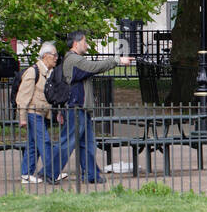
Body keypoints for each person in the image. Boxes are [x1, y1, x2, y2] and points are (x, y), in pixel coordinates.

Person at [57, 32, 135, 184]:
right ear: (76, 43)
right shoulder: (74, 59)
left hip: (81, 108)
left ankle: (91, 175)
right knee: (67, 143)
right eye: (85, 42)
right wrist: (117, 60)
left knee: (88, 144)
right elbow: (94, 67)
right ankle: (48, 172)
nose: (87, 45)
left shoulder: (75, 60)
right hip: (75, 107)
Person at [16, 42, 67, 185]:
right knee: (44, 142)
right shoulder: (33, 71)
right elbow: (23, 96)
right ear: (45, 56)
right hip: (33, 113)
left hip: (43, 114)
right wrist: (22, 117)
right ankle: (52, 172)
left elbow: (49, 96)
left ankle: (26, 174)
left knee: (33, 145)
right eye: (54, 55)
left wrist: (56, 113)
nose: (56, 58)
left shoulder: (49, 72)